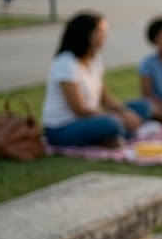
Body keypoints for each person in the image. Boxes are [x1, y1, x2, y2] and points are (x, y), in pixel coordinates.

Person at [42, 11, 143, 147]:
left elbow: (105, 99)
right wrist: (117, 117)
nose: (104, 37)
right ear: (85, 34)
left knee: (140, 108)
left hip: (88, 121)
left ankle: (109, 138)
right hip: (62, 128)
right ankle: (110, 136)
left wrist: (126, 112)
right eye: (100, 33)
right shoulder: (66, 63)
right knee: (113, 124)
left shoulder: (95, 59)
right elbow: (79, 109)